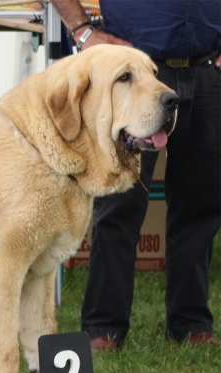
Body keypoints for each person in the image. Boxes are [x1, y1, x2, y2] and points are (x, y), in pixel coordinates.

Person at [50, 0, 221, 351]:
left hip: (208, 69)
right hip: (133, 73)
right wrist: (81, 30)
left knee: (201, 207)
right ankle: (103, 327)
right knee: (119, 206)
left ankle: (191, 322)